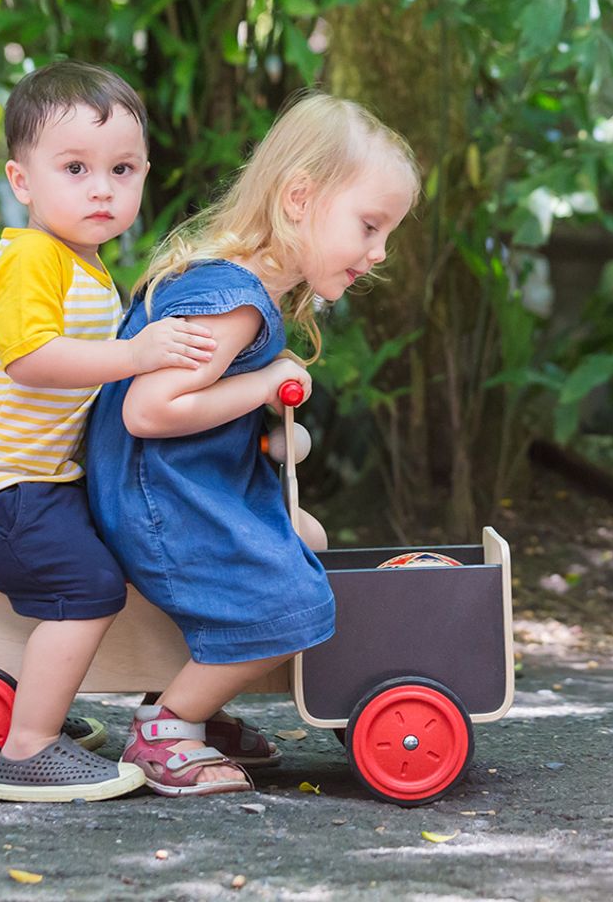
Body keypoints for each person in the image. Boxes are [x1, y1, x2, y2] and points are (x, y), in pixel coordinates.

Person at [86, 92, 421, 795]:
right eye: (368, 224)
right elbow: (148, 412)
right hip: (159, 500)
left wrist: (267, 432)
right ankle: (167, 728)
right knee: (292, 597)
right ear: (300, 196)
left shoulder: (247, 291)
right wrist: (267, 381)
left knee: (311, 538)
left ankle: (199, 702)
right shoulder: (232, 298)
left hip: (187, 484)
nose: (380, 250)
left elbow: (199, 410)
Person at [0, 61, 218, 802]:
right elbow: (31, 360)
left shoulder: (87, 268)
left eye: (122, 169)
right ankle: (27, 748)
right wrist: (136, 354)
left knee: (127, 543)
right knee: (87, 585)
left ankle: (101, 705)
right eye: (75, 168)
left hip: (27, 483)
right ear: (22, 181)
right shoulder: (28, 259)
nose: (101, 189)